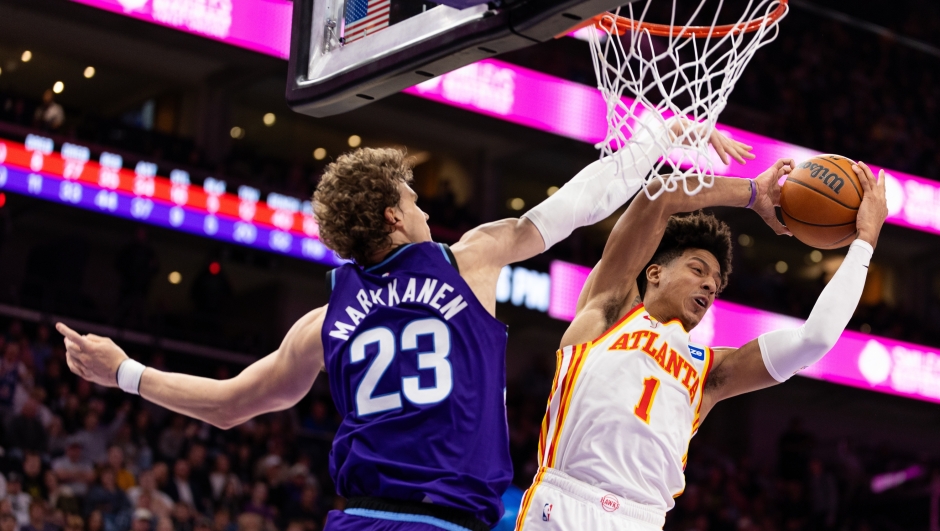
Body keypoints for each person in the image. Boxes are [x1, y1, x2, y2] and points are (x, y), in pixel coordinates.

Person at [56, 126, 753, 530]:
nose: (423, 206)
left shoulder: (322, 320)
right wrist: (659, 138)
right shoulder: (467, 260)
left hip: (358, 517)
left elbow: (232, 402)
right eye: (413, 197)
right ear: (392, 215)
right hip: (445, 521)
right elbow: (573, 206)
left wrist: (122, 371)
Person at [513, 161, 889, 530]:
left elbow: (816, 339)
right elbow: (658, 197)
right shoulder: (608, 312)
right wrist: (753, 193)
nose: (710, 285)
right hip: (565, 504)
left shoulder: (709, 372)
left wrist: (865, 242)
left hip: (641, 520)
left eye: (716, 282)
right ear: (655, 273)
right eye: (697, 269)